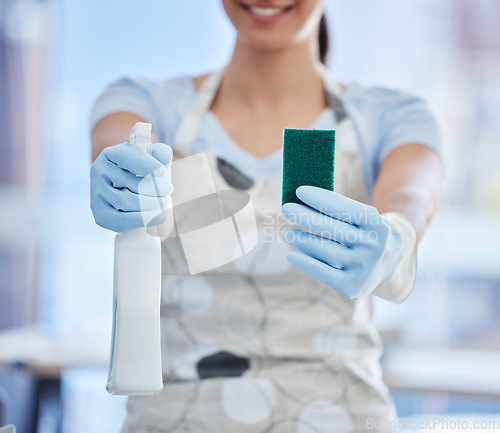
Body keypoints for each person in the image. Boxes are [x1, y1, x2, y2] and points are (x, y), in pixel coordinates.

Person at [90, 1, 444, 431]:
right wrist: (120, 177)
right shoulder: (144, 102)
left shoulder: (393, 116)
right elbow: (116, 143)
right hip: (173, 418)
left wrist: (397, 238)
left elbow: (411, 192)